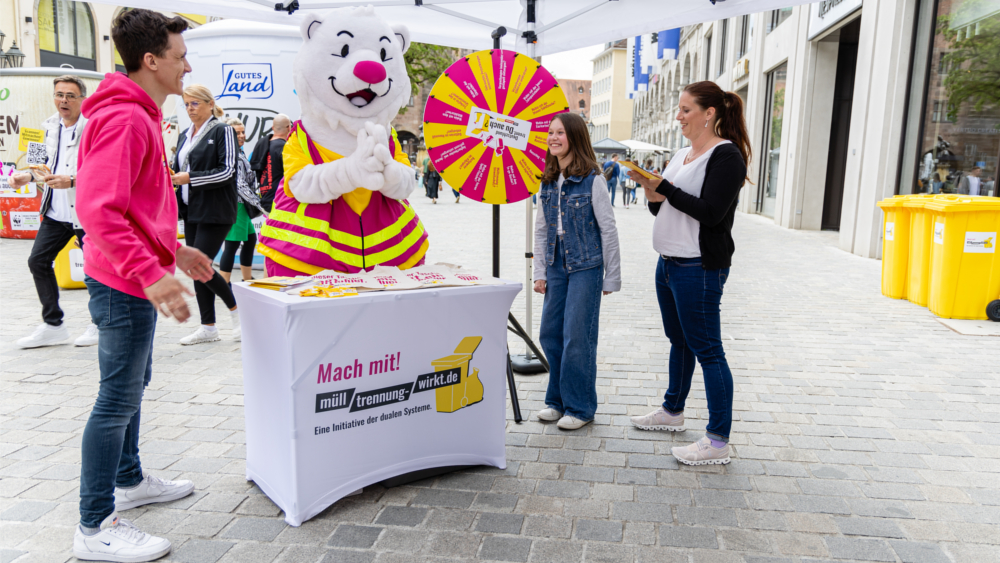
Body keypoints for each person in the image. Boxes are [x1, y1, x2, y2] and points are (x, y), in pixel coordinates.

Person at [73, 9, 216, 561]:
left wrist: (174, 251)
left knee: (131, 388)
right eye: (180, 56)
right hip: (120, 283)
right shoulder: (128, 119)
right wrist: (152, 274)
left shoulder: (138, 114)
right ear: (151, 60)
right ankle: (93, 527)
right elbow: (98, 210)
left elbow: (132, 206)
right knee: (115, 401)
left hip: (127, 278)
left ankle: (129, 482)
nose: (187, 66)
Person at [626, 81, 750, 466]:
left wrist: (666, 188)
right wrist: (652, 193)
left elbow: (711, 213)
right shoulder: (680, 154)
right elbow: (666, 208)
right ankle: (672, 411)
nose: (677, 117)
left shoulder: (727, 157)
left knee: (708, 350)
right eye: (678, 110)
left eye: (685, 110)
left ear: (709, 113)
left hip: (698, 266)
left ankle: (717, 441)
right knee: (678, 341)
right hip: (668, 263)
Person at [533, 113, 621, 431]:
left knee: (577, 338)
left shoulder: (593, 180)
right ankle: (557, 401)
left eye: (560, 132)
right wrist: (539, 272)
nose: (553, 137)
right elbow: (542, 229)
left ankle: (580, 407)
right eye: (550, 132)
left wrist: (612, 277)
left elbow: (608, 230)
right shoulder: (546, 180)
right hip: (556, 264)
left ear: (575, 137)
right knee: (550, 333)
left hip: (586, 265)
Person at [10, 76, 99, 348]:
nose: (64, 100)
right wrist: (25, 176)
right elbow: (38, 167)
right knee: (38, 262)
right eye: (59, 94)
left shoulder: (93, 128)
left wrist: (72, 181)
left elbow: (103, 172)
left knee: (94, 272)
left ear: (82, 99)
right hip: (55, 212)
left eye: (70, 95)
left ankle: (99, 324)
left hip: (84, 213)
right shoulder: (47, 127)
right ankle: (53, 325)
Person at [171, 84, 241, 345]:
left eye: (195, 103)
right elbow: (178, 166)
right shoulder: (184, 135)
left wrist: (189, 178)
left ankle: (238, 312)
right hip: (191, 211)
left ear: (210, 104)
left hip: (215, 210)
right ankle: (208, 328)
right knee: (196, 268)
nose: (190, 108)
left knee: (199, 266)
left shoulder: (222, 130)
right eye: (186, 104)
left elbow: (227, 171)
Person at [219, 117, 264, 285]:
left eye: (243, 132)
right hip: (236, 205)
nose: (242, 135)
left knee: (251, 239)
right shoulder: (232, 155)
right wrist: (258, 203)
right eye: (237, 133)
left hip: (241, 206)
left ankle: (247, 278)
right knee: (231, 245)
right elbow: (239, 184)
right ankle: (224, 284)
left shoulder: (240, 151)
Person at [250, 114, 289, 213]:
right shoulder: (286, 148)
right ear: (289, 128)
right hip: (280, 201)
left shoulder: (262, 144)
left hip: (265, 199)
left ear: (273, 128)